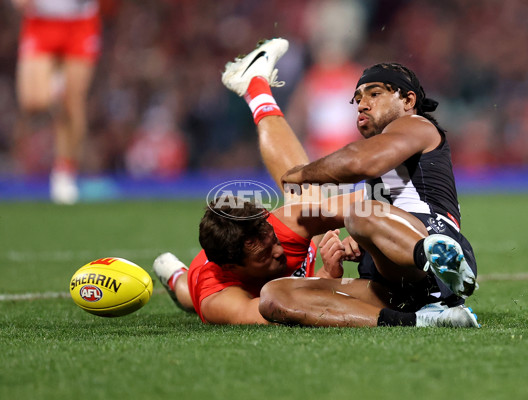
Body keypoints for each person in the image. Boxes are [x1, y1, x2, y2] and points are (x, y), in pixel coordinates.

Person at [152, 38, 479, 328]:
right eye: (358, 98)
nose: (362, 104)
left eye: (374, 94)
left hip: (429, 246)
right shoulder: (218, 296)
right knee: (271, 297)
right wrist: (341, 263)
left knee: (355, 211)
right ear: (234, 267)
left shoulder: (416, 125)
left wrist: (303, 175)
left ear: (408, 100)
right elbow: (264, 310)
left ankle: (440, 266)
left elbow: (359, 165)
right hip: (390, 288)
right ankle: (423, 320)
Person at [12, 0, 102, 204]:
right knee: (32, 100)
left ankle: (65, 171)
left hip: (79, 23)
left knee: (73, 103)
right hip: (41, 22)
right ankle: (56, 85)